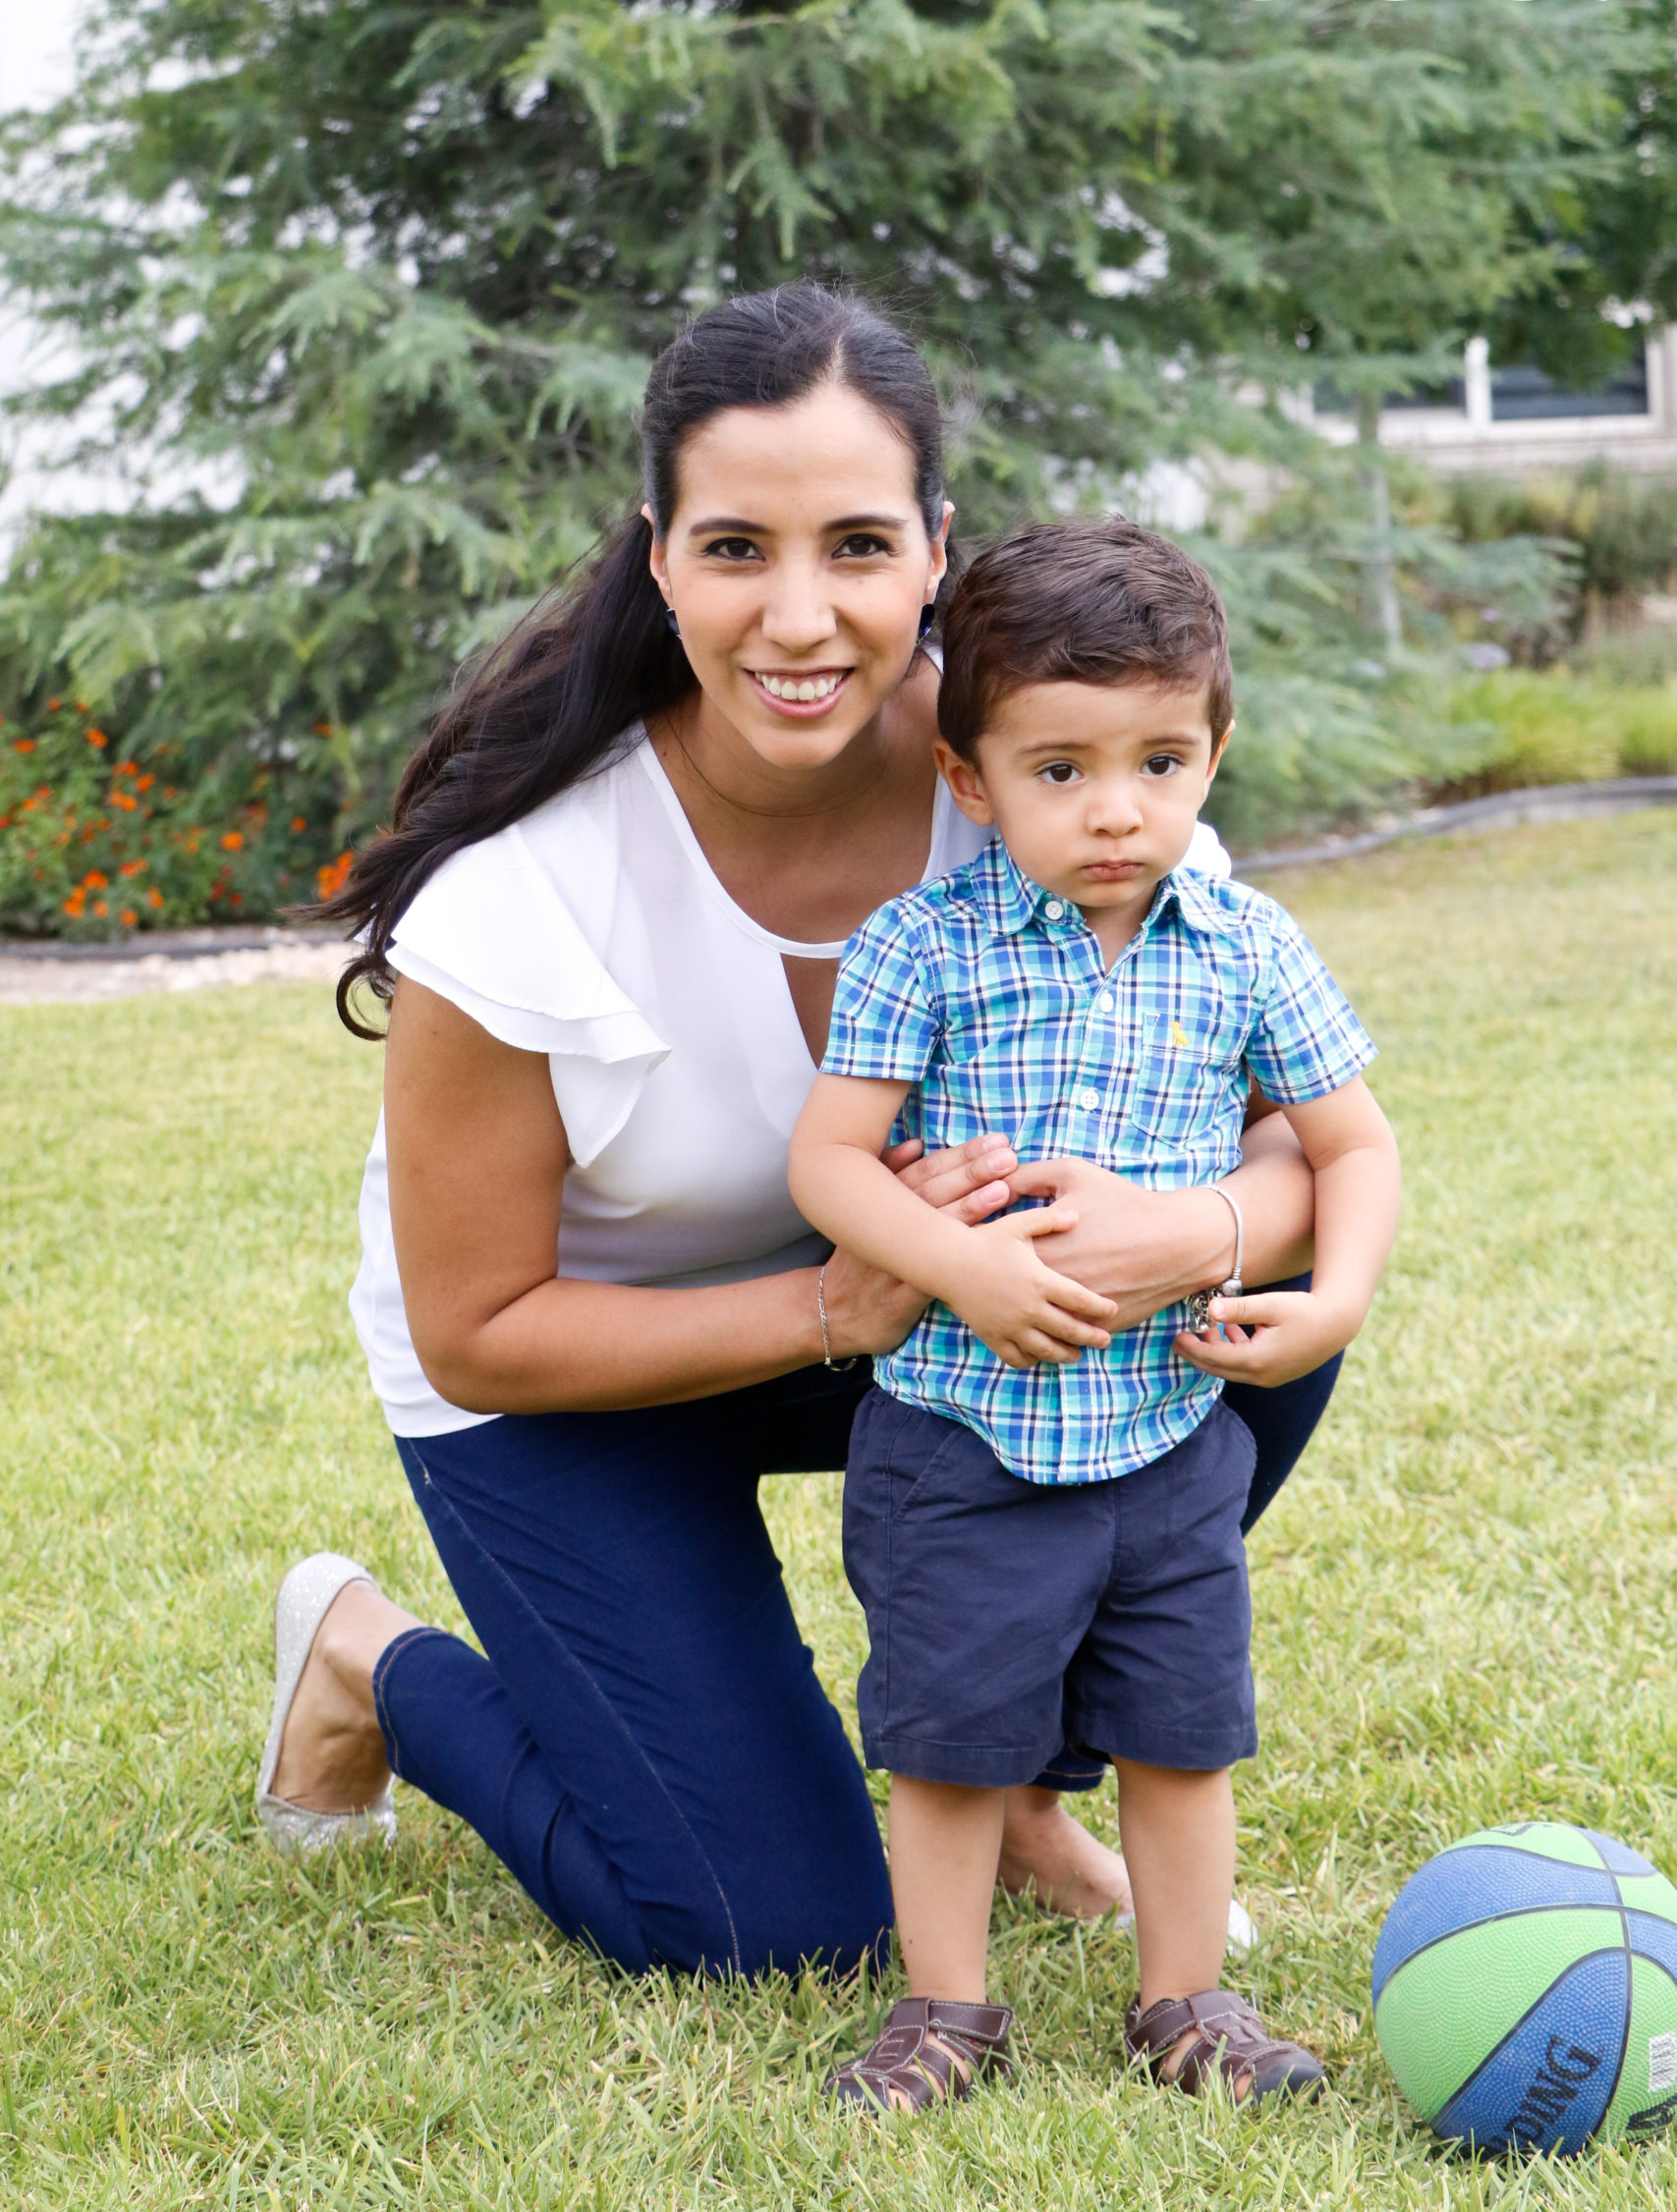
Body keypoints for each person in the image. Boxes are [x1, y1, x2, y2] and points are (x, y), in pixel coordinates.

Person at [253, 284, 1343, 1984]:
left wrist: (1194, 1235)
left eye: (853, 543)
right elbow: (480, 1333)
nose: (801, 615)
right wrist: (848, 1301)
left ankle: (1014, 1778)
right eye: (737, 547)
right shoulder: (523, 896)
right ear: (660, 558)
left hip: (940, 1330)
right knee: (772, 1928)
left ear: (933, 552)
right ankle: (366, 1659)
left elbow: (1300, 1154)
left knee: (1245, 1337)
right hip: (577, 1385)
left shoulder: (1043, 768)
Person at [788, 518, 1401, 2108]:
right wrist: (962, 1269)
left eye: (1160, 763)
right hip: (960, 1439)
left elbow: (1353, 1144)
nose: (1117, 810)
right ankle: (943, 2013)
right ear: (970, 780)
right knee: (950, 1741)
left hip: (1166, 1438)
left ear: (1213, 756)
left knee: (1180, 1734)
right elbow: (829, 1160)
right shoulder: (923, 946)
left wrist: (1329, 1301)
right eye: (1059, 770)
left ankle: (1186, 2003)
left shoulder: (1247, 946)